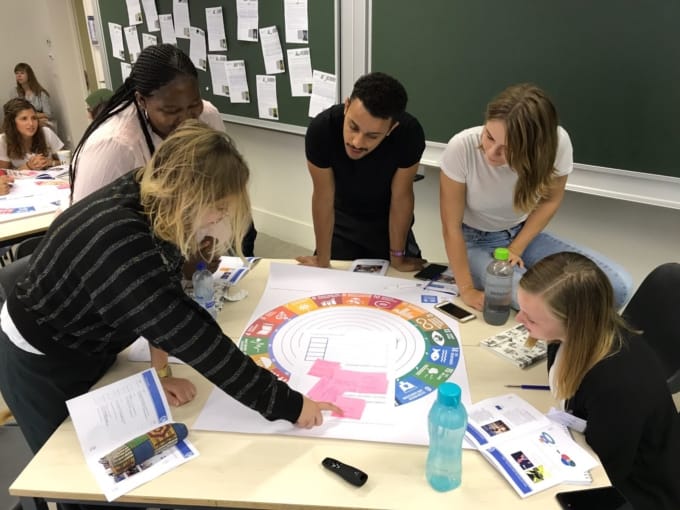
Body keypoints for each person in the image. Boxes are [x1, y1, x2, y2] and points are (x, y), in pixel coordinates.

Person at [0, 121, 340, 467]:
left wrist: (160, 373)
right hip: (41, 359)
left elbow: (161, 293)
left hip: (91, 339)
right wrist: (290, 405)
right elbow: (197, 340)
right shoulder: (122, 241)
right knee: (69, 467)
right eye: (219, 206)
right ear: (190, 195)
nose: (222, 216)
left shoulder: (153, 193)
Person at [69, 44, 257, 401]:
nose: (187, 121)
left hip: (148, 302)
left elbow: (217, 187)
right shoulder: (113, 148)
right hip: (89, 322)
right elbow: (91, 248)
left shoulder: (204, 117)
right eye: (171, 111)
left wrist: (206, 244)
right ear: (142, 101)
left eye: (193, 106)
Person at [439, 83, 633, 311]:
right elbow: (451, 227)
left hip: (523, 234)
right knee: (538, 302)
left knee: (616, 287)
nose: (492, 153)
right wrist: (467, 289)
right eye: (489, 137)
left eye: (508, 148)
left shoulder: (556, 143)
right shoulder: (462, 147)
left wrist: (516, 248)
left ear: (534, 147)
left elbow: (550, 200)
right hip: (474, 241)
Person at [517, 252, 680, 510]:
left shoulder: (618, 385)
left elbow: (603, 473)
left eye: (531, 318)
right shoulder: (574, 338)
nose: (518, 319)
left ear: (573, 321)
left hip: (639, 489)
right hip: (595, 446)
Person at [296, 72, 426, 272]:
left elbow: (401, 197)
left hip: (387, 220)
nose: (357, 142)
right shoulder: (322, 129)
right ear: (347, 106)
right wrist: (322, 258)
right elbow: (323, 197)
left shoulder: (409, 134)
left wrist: (398, 257)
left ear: (392, 128)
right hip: (342, 220)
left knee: (399, 277)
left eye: (372, 136)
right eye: (353, 127)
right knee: (330, 278)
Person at [0, 98, 63, 170]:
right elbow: (3, 174)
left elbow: (67, 161)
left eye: (34, 118)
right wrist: (28, 166)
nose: (31, 123)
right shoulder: (3, 140)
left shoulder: (46, 132)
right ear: (12, 123)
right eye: (24, 119)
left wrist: (50, 162)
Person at [11, 62, 54, 129]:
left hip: (40, 123)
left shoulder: (41, 93)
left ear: (29, 75)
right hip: (22, 123)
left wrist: (32, 117)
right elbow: (14, 112)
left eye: (22, 73)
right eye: (16, 73)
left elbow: (48, 114)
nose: (19, 76)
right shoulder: (15, 92)